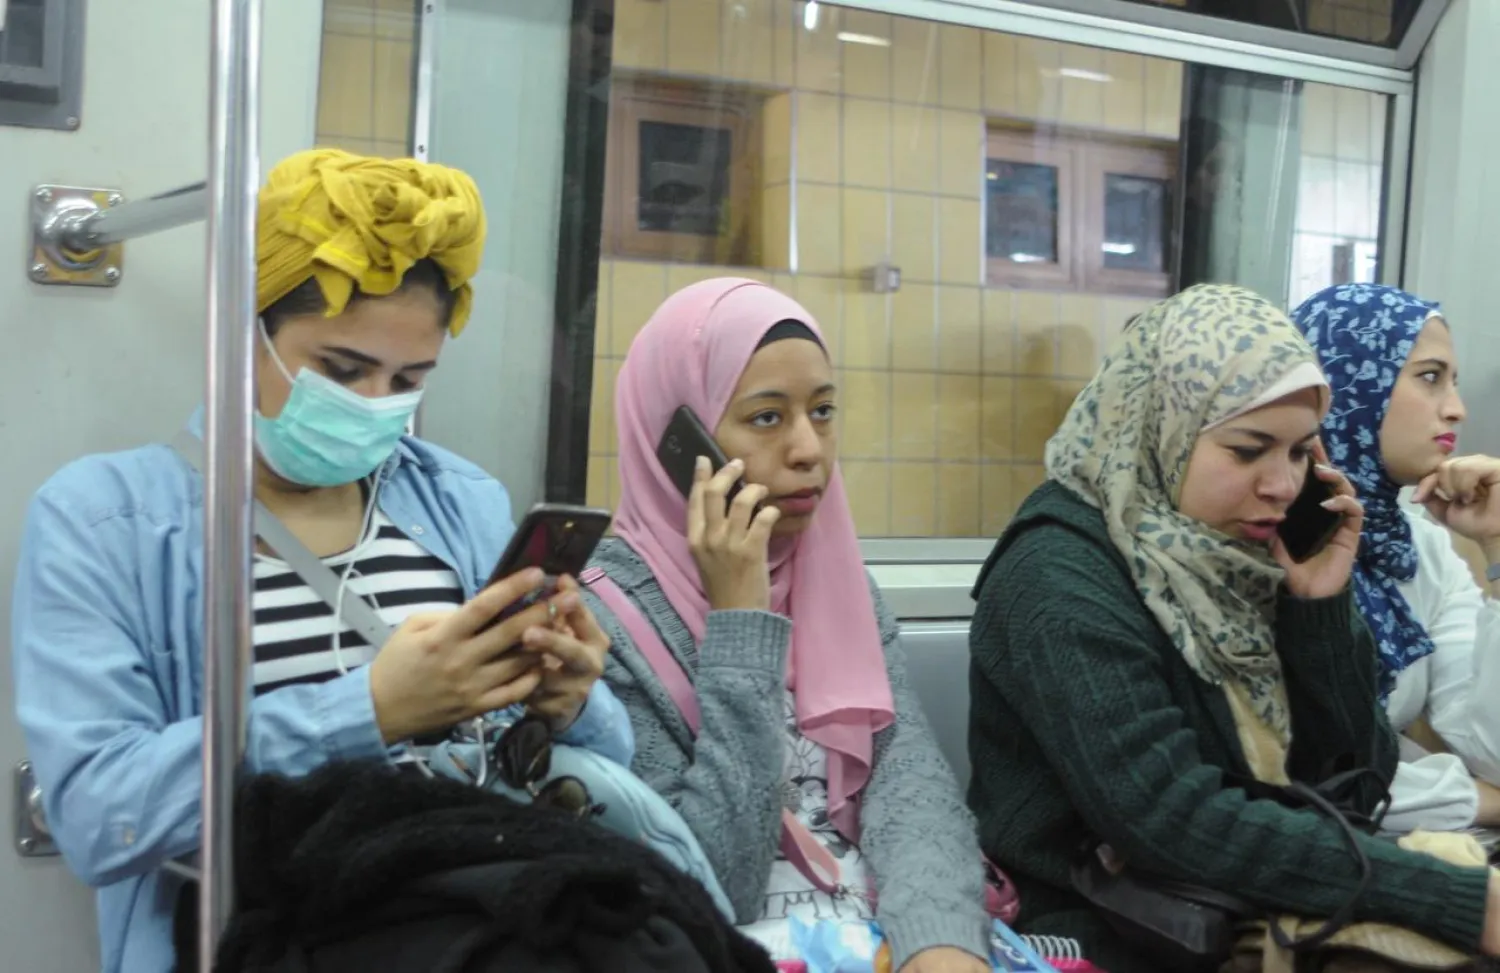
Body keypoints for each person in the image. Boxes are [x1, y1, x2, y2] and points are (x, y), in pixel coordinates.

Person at [11, 149, 633, 973]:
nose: (374, 405)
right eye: (342, 370)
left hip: (469, 929)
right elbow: (98, 814)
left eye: (409, 378)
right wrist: (369, 710)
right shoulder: (105, 521)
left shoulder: (460, 500)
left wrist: (569, 700)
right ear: (244, 333)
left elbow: (607, 761)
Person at [967, 284, 1500, 973]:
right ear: (1162, 427)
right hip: (1107, 928)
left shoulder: (1236, 555)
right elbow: (1170, 816)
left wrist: (1321, 611)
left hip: (1248, 909)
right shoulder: (1058, 574)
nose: (1283, 485)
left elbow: (1361, 786)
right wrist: (1455, 899)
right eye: (1249, 450)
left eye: (1301, 453)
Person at [581, 278, 992, 973]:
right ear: (674, 441)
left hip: (876, 929)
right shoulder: (599, 615)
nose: (809, 449)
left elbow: (910, 785)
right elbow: (717, 879)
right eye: (767, 417)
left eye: (823, 411)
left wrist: (938, 940)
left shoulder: (838, 580)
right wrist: (741, 620)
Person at [1291, 283, 1500, 833]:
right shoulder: (1269, 534)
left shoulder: (1417, 547)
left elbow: (1493, 752)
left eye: (1454, 382)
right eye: (1430, 377)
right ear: (1348, 384)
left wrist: (1499, 549)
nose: (1456, 409)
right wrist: (1475, 801)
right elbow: (1293, 777)